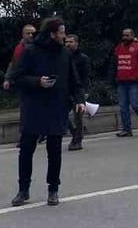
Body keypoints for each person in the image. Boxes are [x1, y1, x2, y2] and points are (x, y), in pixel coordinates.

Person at [8, 18, 85, 207]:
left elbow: (74, 81)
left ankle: (53, 190)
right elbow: (17, 77)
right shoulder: (31, 51)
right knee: (26, 150)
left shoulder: (65, 54)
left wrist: (80, 100)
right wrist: (37, 82)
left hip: (56, 107)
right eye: (61, 32)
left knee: (55, 151)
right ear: (52, 34)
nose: (64, 36)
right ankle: (23, 190)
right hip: (33, 107)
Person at [110, 28, 138, 138]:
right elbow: (114, 64)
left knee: (136, 105)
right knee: (123, 107)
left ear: (133, 36)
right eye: (123, 35)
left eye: (127, 35)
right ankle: (127, 129)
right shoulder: (118, 48)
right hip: (122, 81)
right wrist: (113, 78)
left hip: (135, 81)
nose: (125, 37)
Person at [65, 33, 90, 151]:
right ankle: (74, 131)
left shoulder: (82, 58)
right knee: (61, 114)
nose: (68, 44)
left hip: (78, 90)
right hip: (65, 90)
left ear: (76, 43)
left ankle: (78, 140)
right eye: (67, 42)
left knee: (78, 116)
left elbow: (85, 76)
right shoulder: (63, 56)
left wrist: (84, 91)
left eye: (71, 42)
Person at [3, 23, 37, 91]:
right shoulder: (19, 48)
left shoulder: (39, 48)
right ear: (23, 35)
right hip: (22, 83)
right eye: (28, 33)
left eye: (32, 33)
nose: (31, 35)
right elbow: (13, 64)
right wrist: (7, 79)